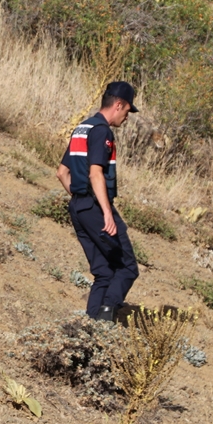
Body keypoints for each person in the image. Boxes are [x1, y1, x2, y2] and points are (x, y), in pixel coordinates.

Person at [56, 81, 140, 323]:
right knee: (127, 267)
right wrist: (105, 212)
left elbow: (62, 172)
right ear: (118, 105)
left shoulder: (82, 128)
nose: (126, 117)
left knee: (103, 272)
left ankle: (91, 327)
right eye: (127, 112)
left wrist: (79, 197)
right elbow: (96, 173)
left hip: (78, 207)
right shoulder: (103, 131)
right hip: (94, 207)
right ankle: (105, 320)